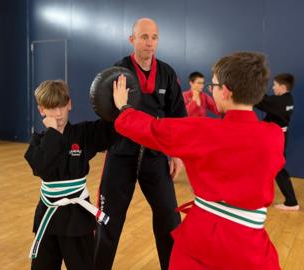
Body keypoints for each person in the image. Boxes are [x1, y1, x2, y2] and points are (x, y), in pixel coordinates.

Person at [112, 52, 284, 269]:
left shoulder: (204, 131)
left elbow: (153, 130)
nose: (210, 90)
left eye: (213, 85)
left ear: (226, 91)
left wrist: (124, 109)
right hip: (253, 248)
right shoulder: (274, 135)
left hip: (203, 242)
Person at [94, 18, 187, 270]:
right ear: (132, 39)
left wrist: (175, 154)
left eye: (154, 37)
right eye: (144, 37)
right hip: (121, 154)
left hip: (155, 157)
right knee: (108, 220)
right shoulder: (118, 72)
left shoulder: (167, 73)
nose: (149, 42)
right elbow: (105, 112)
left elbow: (178, 117)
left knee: (170, 217)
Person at [24, 80, 115, 270]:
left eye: (62, 107)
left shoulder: (83, 134)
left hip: (77, 219)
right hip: (48, 215)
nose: (57, 114)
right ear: (42, 110)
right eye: (51, 108)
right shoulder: (38, 141)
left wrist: (117, 105)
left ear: (70, 104)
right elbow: (42, 168)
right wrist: (53, 133)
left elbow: (112, 130)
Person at [255, 73, 299, 211]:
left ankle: (291, 202)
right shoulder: (288, 100)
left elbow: (261, 101)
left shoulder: (281, 102)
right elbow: (268, 102)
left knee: (278, 169)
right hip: (278, 136)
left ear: (282, 87)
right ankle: (258, 195)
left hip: (276, 138)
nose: (273, 88)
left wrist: (247, 88)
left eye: (274, 85)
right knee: (265, 166)